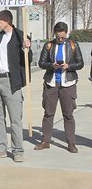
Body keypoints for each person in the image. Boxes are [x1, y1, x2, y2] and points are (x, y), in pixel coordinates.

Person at [0, 9, 31, 163]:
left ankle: (18, 150)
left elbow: (27, 59)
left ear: (7, 21)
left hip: (11, 81)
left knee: (15, 118)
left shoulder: (20, 36)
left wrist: (27, 48)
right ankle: (0, 148)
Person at [35, 22, 83, 153]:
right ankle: (45, 141)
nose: (60, 39)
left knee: (68, 115)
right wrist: (52, 65)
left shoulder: (73, 45)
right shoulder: (49, 45)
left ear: (66, 33)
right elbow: (41, 63)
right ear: (55, 33)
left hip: (68, 84)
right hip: (51, 83)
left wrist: (69, 66)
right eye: (58, 37)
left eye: (62, 37)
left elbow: (80, 63)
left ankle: (71, 143)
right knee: (48, 114)